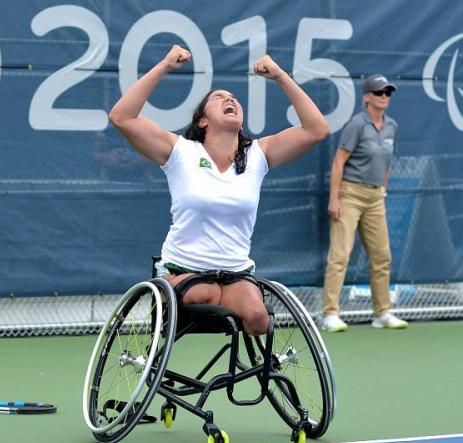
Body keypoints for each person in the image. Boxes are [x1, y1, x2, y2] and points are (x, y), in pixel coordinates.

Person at [108, 45, 330, 335]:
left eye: (234, 98)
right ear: (203, 120)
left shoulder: (258, 155)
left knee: (258, 319)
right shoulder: (180, 152)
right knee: (204, 295)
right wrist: (164, 66)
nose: (230, 99)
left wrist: (279, 76)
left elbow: (317, 129)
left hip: (235, 274)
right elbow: (121, 117)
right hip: (184, 270)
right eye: (219, 98)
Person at [320, 74, 408, 332]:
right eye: (379, 93)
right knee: (340, 255)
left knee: (382, 256)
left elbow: (388, 162)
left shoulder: (392, 126)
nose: (384, 97)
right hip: (350, 195)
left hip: (375, 198)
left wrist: (383, 189)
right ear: (367, 97)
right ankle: (330, 314)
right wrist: (334, 198)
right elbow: (339, 162)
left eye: (387, 93)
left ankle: (382, 313)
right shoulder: (356, 125)